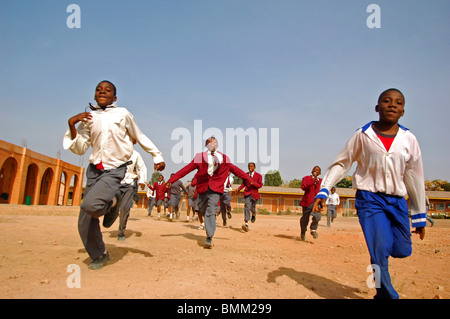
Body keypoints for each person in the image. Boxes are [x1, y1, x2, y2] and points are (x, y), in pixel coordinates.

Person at [312, 88, 426, 299]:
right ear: (377, 107)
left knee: (402, 250)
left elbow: (415, 177)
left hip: (397, 201)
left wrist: (420, 215)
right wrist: (324, 190)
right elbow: (342, 163)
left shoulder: (409, 139)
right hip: (370, 199)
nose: (392, 105)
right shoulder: (363, 135)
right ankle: (386, 293)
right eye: (386, 101)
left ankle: (380, 252)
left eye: (398, 103)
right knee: (380, 249)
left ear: (403, 111)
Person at [63, 80, 165, 269]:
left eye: (107, 90)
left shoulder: (123, 114)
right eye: (98, 89)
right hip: (95, 170)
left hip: (115, 169)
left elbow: (139, 135)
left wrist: (156, 155)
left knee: (90, 205)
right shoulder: (88, 117)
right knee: (85, 216)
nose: (102, 91)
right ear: (94, 95)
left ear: (114, 97)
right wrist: (72, 124)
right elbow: (79, 149)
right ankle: (99, 254)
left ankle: (112, 203)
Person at [166, 137, 253, 248]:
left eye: (214, 142)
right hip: (202, 188)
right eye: (210, 142)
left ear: (217, 145)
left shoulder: (224, 158)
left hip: (216, 189)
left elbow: (236, 170)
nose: (212, 144)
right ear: (206, 145)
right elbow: (186, 169)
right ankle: (206, 224)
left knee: (211, 210)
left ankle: (209, 237)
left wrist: (249, 179)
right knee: (202, 210)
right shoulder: (199, 157)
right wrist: (171, 180)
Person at [112, 147, 147, 241]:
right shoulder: (115, 150)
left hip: (129, 184)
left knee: (124, 209)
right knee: (111, 204)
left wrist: (142, 180)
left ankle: (121, 232)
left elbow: (141, 168)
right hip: (115, 183)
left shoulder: (136, 154)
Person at [235, 163, 263, 232]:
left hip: (254, 194)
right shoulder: (246, 175)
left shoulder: (259, 176)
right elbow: (243, 184)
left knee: (252, 208)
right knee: (247, 207)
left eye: (251, 166)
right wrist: (238, 189)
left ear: (254, 167)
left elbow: (260, 185)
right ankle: (246, 223)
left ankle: (253, 214)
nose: (250, 167)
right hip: (247, 193)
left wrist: (254, 183)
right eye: (249, 166)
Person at [299, 166, 322, 240]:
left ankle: (313, 229)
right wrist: (312, 180)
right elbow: (303, 187)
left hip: (316, 202)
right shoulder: (306, 178)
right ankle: (303, 231)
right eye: (314, 169)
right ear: (312, 171)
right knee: (305, 218)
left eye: (317, 170)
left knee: (317, 216)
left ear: (320, 173)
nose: (315, 171)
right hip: (307, 202)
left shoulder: (322, 181)